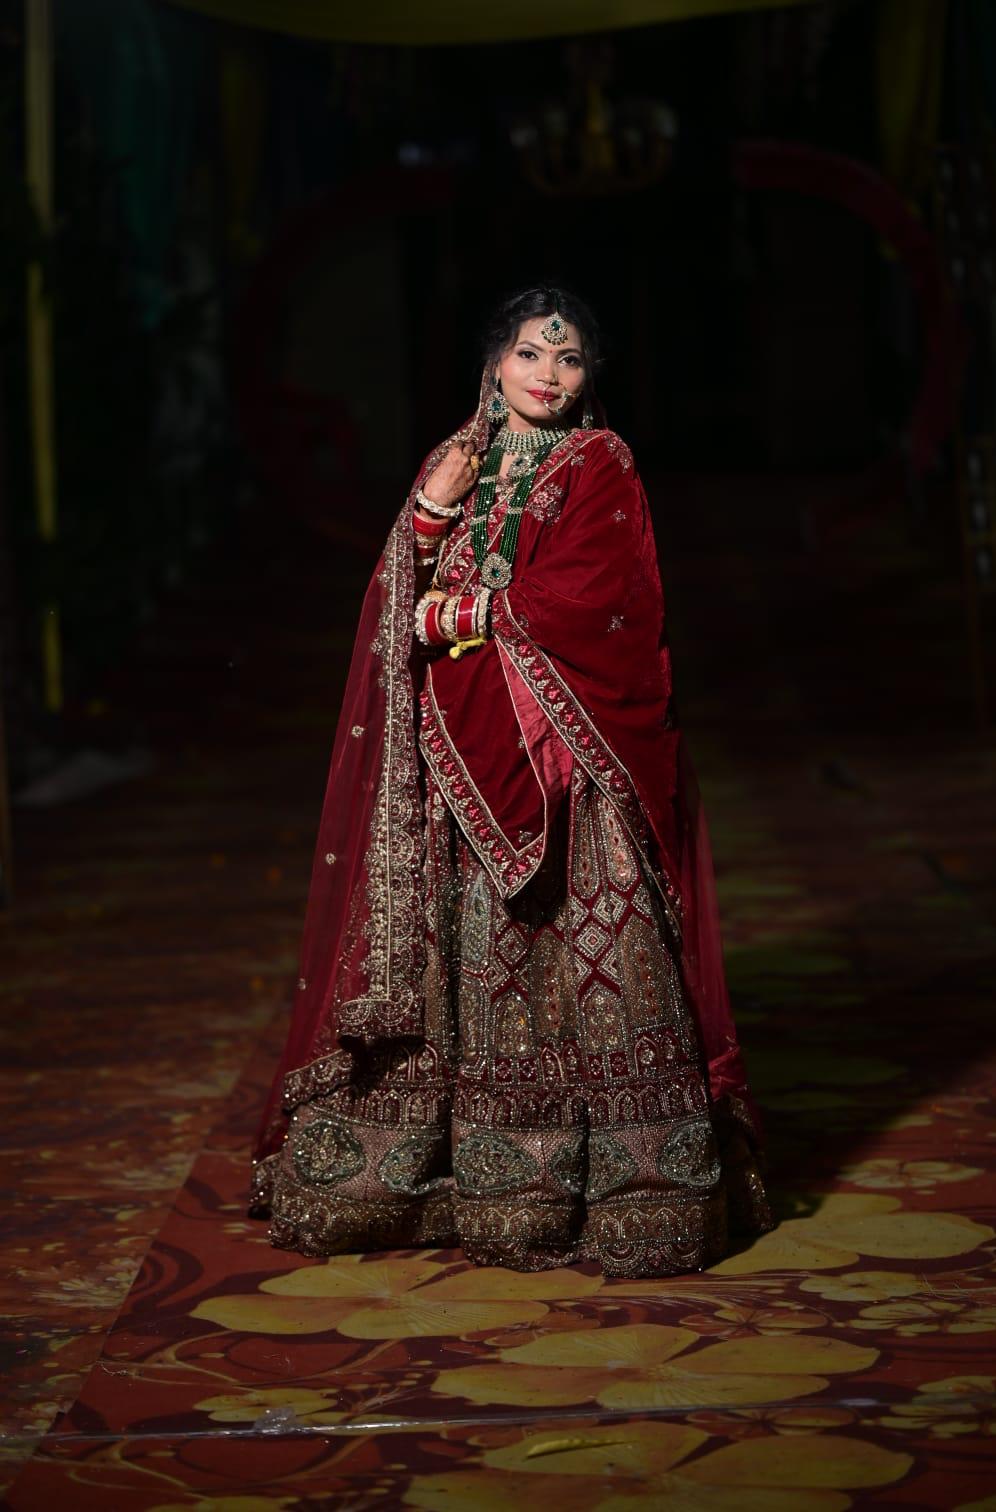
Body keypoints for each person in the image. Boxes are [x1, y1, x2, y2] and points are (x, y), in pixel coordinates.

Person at [249, 285, 772, 1277]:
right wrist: (429, 512)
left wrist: (459, 616)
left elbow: (596, 597)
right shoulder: (457, 459)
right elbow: (398, 588)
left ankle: (633, 1186)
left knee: (590, 943)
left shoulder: (600, 462)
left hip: (570, 755)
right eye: (530, 353)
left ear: (589, 375)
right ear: (494, 363)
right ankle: (478, 1181)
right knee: (473, 955)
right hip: (459, 750)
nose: (548, 374)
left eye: (569, 359)